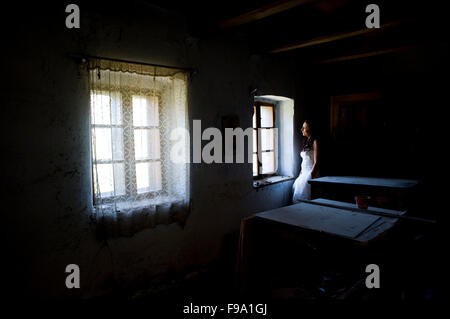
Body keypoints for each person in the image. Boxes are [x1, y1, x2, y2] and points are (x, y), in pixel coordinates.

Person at [292, 120, 320, 202]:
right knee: (298, 194)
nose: (301, 129)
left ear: (310, 129)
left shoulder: (315, 142)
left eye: (304, 128)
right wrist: (300, 174)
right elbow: (304, 160)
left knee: (305, 196)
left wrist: (311, 176)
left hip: (311, 173)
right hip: (303, 173)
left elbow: (316, 161)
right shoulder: (306, 141)